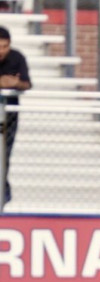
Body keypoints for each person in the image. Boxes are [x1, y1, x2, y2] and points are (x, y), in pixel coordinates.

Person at [0, 25, 30, 206]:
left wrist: (16, 83)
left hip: (9, 116)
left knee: (5, 154)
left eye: (5, 46)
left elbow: (27, 83)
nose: (1, 51)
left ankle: (4, 193)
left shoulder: (17, 57)